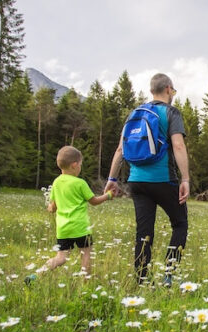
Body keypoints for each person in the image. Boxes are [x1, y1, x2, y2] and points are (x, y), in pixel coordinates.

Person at [104, 73, 189, 287]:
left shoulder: (135, 114)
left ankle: (141, 279)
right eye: (173, 91)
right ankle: (169, 275)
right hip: (163, 180)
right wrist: (185, 178)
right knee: (180, 224)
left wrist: (112, 178)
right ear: (168, 89)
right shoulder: (170, 112)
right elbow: (178, 146)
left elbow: (121, 149)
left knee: (144, 232)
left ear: (152, 90)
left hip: (136, 181)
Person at [46, 146, 114, 274]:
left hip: (63, 228)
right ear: (74, 165)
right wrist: (108, 196)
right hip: (80, 227)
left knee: (61, 258)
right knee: (86, 253)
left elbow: (53, 207)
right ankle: (86, 284)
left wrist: (49, 208)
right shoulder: (80, 183)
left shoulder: (56, 182)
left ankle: (39, 272)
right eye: (80, 165)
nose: (80, 167)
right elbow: (94, 201)